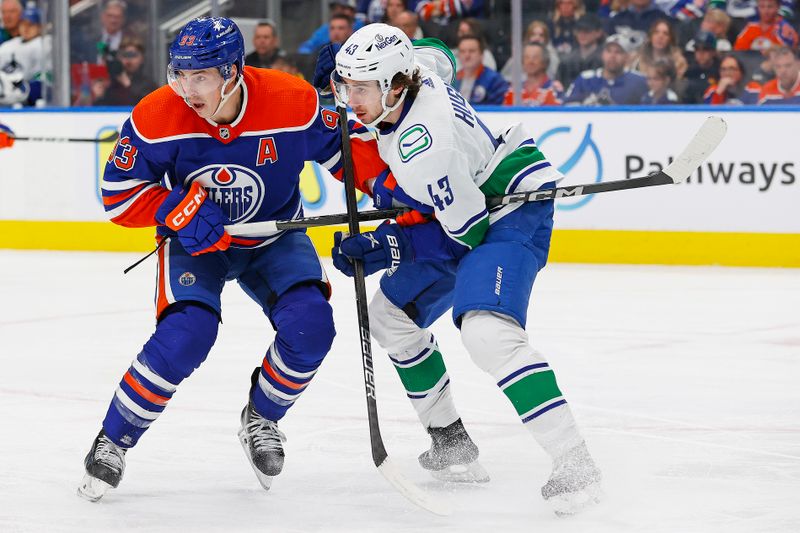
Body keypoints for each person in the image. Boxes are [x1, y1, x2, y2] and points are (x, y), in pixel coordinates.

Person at [76, 16, 386, 502]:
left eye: (200, 77)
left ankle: (262, 417)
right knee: (186, 335)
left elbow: (351, 157)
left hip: (273, 238)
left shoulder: (291, 100)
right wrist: (173, 209)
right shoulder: (156, 115)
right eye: (179, 75)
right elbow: (117, 196)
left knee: (312, 327)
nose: (186, 89)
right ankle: (113, 439)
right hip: (196, 244)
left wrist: (400, 193)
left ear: (234, 71)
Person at [329, 22, 602, 515]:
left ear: (394, 84)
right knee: (390, 318)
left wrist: (390, 245)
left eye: (361, 87)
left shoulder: (423, 147)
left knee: (487, 333)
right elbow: (437, 54)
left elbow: (467, 234)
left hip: (508, 213)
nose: (351, 98)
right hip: (471, 201)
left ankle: (575, 463)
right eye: (345, 85)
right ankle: (451, 444)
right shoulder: (416, 71)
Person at [564, 33, 648, 105]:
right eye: (608, 51)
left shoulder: (639, 81)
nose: (612, 56)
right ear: (602, 54)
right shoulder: (585, 79)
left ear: (627, 57)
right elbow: (567, 106)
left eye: (618, 52)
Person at [0, 4, 51, 106]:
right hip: (7, 93)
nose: (26, 28)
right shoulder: (7, 45)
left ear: (40, 26)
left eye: (31, 24)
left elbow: (44, 78)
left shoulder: (46, 43)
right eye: (23, 24)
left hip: (32, 95)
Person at [93, 36, 157, 106]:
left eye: (133, 55)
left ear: (142, 58)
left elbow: (146, 108)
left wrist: (127, 85)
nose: (129, 60)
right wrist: (99, 96)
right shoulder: (112, 84)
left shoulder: (149, 86)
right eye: (125, 55)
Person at [454, 34, 509, 105]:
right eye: (462, 51)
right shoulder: (453, 80)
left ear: (482, 54)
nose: (467, 55)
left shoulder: (494, 81)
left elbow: (497, 110)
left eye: (472, 51)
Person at [297, 0, 365, 55]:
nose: (337, 11)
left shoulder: (363, 28)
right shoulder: (326, 28)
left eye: (342, 8)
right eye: (334, 8)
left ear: (352, 10)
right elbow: (307, 47)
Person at [556, 13, 605, 89]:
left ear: (598, 33)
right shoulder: (566, 61)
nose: (582, 35)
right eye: (579, 31)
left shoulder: (605, 59)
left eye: (587, 31)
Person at [733, 0, 798, 52]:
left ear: (778, 7)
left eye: (770, 7)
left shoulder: (785, 29)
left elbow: (789, 54)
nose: (766, 11)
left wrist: (773, 48)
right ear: (757, 7)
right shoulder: (751, 27)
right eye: (762, 6)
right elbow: (738, 51)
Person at [683, 30, 721, 103]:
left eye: (705, 49)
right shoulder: (690, 72)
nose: (701, 53)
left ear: (713, 52)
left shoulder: (720, 71)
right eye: (697, 49)